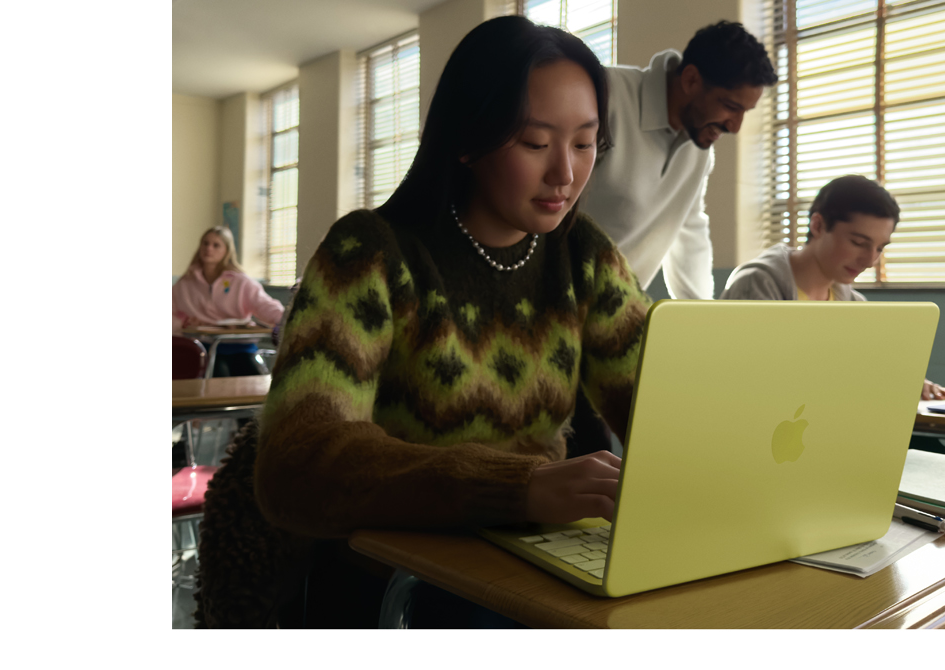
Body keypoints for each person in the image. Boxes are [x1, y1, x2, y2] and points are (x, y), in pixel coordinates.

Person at [194, 16, 650, 628]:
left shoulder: (583, 257)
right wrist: (518, 487)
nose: (565, 174)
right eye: (536, 144)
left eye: (586, 143)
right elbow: (299, 464)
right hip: (398, 583)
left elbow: (661, 407)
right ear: (466, 140)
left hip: (539, 562)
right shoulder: (370, 255)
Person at [579, 20, 777, 302]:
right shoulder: (606, 96)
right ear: (691, 80)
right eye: (730, 106)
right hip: (548, 301)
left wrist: (703, 318)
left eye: (745, 111)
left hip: (613, 312)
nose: (735, 126)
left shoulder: (699, 149)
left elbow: (689, 231)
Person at [721, 175, 945, 402]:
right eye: (858, 243)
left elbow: (864, 371)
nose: (870, 260)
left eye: (879, 248)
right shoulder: (756, 286)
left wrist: (903, 380)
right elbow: (756, 384)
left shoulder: (854, 305)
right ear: (818, 225)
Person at [172, 226, 284, 377]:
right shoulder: (185, 283)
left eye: (216, 245)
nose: (208, 249)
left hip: (240, 347)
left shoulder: (241, 282)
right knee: (219, 374)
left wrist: (286, 320)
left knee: (257, 379)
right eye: (205, 243)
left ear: (226, 250)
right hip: (203, 348)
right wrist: (183, 322)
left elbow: (265, 305)